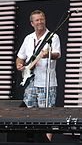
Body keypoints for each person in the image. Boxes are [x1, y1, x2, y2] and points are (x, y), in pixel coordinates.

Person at [16, 9, 61, 141]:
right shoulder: (28, 38)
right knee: (28, 113)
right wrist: (19, 65)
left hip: (46, 83)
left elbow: (57, 54)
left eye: (42, 19)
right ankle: (32, 140)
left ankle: (46, 142)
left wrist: (48, 54)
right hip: (30, 83)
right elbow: (20, 57)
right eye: (37, 20)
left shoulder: (53, 37)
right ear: (32, 23)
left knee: (47, 115)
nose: (40, 22)